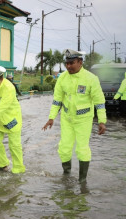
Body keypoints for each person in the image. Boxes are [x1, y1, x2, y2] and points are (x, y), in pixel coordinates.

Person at [42, 49, 107, 183]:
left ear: (80, 62)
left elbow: (99, 102)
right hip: (67, 119)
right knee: (64, 148)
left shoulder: (91, 79)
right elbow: (57, 100)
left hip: (84, 120)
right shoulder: (62, 78)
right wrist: (51, 118)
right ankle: (66, 174)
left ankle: (82, 180)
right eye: (67, 63)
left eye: (72, 63)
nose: (68, 66)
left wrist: (102, 121)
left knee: (82, 149)